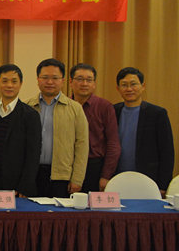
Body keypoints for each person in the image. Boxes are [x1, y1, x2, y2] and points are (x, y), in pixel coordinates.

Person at [26, 58, 89, 198]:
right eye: (45, 77)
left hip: (62, 177)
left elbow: (82, 145)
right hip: (32, 175)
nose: (50, 82)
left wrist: (77, 179)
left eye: (55, 78)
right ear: (37, 79)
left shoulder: (75, 109)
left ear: (63, 80)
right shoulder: (27, 106)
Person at [114, 67, 174, 195]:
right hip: (117, 178)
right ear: (118, 88)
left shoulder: (157, 114)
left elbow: (167, 152)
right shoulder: (113, 111)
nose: (129, 89)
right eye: (124, 85)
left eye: (133, 84)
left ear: (143, 86)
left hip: (148, 180)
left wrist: (163, 185)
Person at [0, 64, 41, 197]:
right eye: (4, 81)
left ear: (20, 84)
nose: (9, 85)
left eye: (14, 81)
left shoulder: (30, 115)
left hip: (16, 185)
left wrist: (24, 186)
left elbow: (33, 155)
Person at [69, 63, 120, 192]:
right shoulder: (64, 106)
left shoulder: (104, 106)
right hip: (67, 166)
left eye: (89, 80)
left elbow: (113, 143)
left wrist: (106, 175)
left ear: (94, 84)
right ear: (70, 82)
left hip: (94, 167)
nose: (84, 84)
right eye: (79, 79)